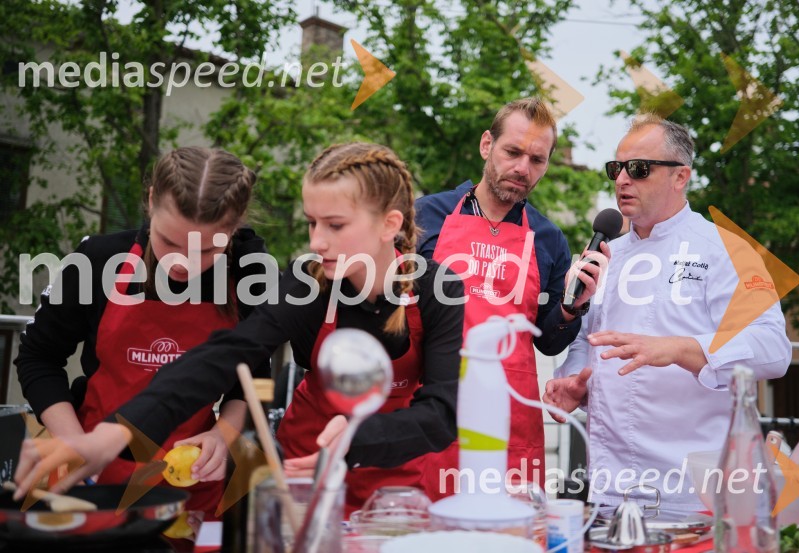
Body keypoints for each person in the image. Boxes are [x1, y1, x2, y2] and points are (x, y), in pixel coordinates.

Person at [14, 142, 464, 515]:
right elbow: (224, 356)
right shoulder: (308, 283)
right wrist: (112, 436)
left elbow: (442, 413)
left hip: (401, 485)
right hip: (301, 476)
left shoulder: (440, 289)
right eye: (311, 223)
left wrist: (354, 438)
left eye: (334, 225)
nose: (315, 242)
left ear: (389, 224)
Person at [543, 114, 791, 511]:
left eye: (639, 169)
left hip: (693, 491)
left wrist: (678, 348)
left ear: (681, 177)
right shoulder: (605, 257)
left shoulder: (727, 249)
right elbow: (586, 343)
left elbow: (773, 348)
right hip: (608, 488)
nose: (622, 179)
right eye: (616, 168)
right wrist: (573, 381)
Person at [14, 146, 268, 512]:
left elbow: (253, 376)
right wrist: (73, 444)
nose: (183, 264)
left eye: (207, 251)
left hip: (192, 485)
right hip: (89, 477)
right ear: (151, 201)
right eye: (169, 242)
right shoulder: (97, 262)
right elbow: (39, 357)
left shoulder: (249, 275)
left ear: (235, 226)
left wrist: (223, 434)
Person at [416, 97, 602, 493]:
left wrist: (572, 308)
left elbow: (548, 341)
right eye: (513, 152)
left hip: (510, 416)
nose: (522, 168)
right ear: (487, 145)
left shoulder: (549, 238)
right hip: (429, 408)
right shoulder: (425, 216)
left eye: (537, 159)